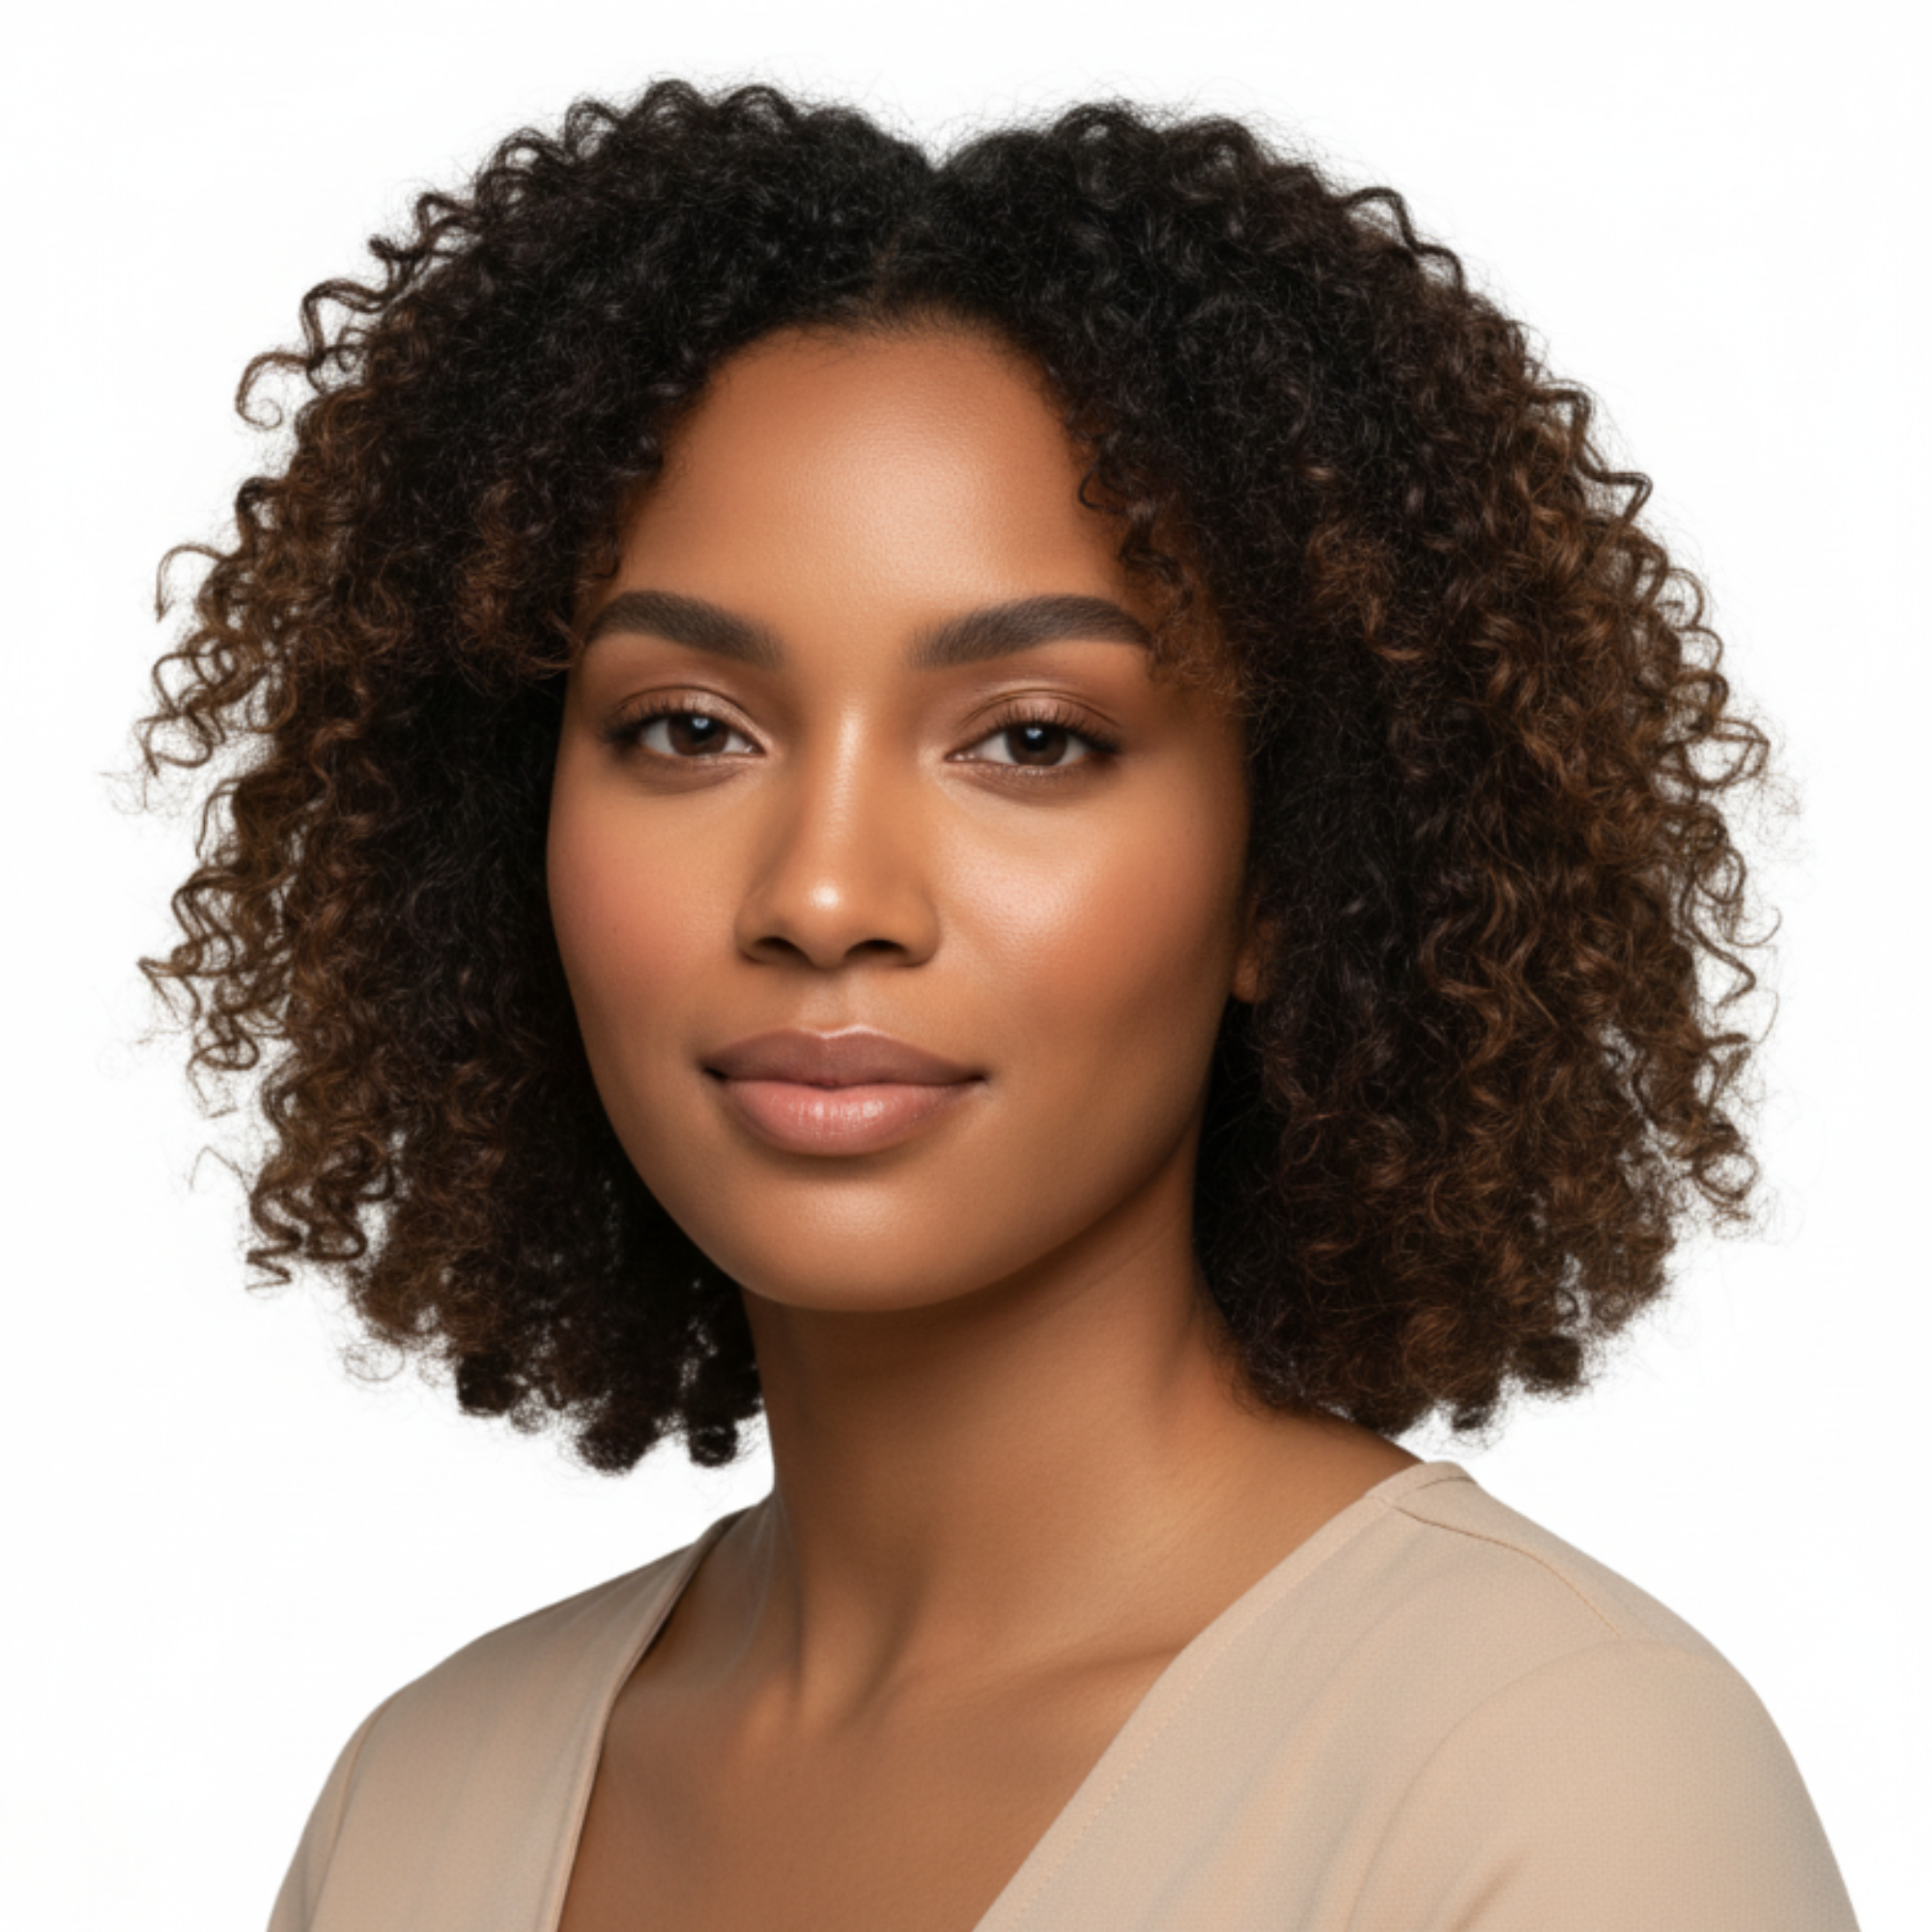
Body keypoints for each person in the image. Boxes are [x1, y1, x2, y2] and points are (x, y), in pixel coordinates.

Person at [137, 80, 1861, 1931]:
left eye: (1033, 739)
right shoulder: (418, 1809)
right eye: (688, 729)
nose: (821, 897)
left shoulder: (1551, 1785)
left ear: (1292, 871)